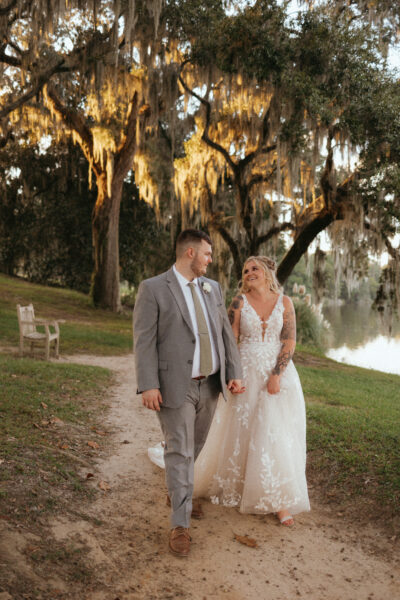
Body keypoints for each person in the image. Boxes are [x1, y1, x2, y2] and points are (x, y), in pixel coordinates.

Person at [133, 229, 244, 557]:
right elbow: (144, 340)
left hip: (210, 384)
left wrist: (233, 374)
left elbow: (225, 334)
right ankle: (180, 524)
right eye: (208, 254)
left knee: (194, 446)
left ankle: (176, 490)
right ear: (190, 253)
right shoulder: (153, 289)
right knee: (180, 450)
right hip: (173, 385)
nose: (211, 260)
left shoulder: (213, 289)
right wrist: (148, 383)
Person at [193, 255, 310, 526]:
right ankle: (243, 485)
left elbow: (289, 341)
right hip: (244, 370)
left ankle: (278, 500)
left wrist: (276, 375)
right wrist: (233, 373)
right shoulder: (239, 302)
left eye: (254, 268)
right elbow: (231, 339)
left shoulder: (285, 303)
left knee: (274, 431)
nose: (249, 273)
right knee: (243, 430)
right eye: (245, 270)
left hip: (276, 375)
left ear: (268, 272)